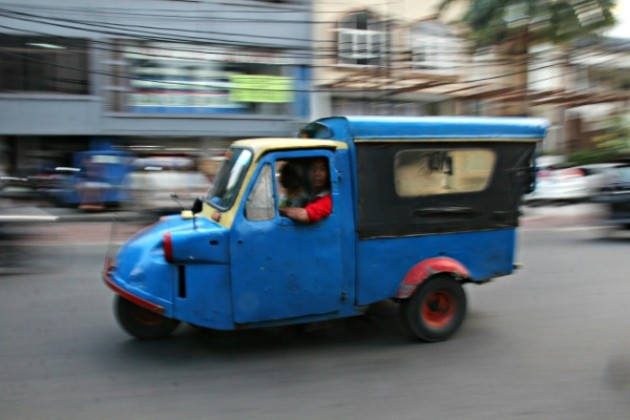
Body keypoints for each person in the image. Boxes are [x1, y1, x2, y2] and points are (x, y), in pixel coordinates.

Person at [279, 157, 332, 223]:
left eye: (322, 169)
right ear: (307, 173)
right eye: (313, 169)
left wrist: (279, 209)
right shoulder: (311, 196)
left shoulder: (328, 199)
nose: (317, 174)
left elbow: (304, 215)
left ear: (328, 173)